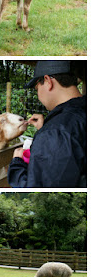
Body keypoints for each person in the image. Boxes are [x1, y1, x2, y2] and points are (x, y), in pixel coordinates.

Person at [8, 60, 86, 188]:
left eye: (37, 88)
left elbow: (37, 188)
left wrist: (17, 163)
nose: (38, 95)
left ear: (48, 81)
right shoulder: (82, 111)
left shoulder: (55, 133)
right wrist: (45, 129)